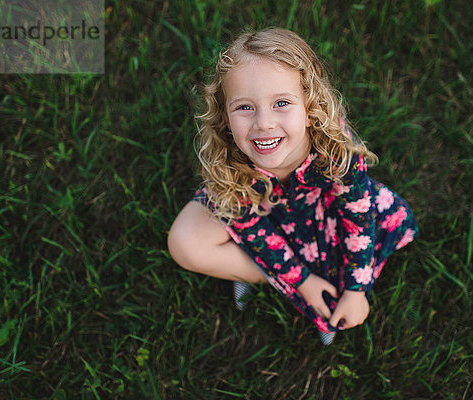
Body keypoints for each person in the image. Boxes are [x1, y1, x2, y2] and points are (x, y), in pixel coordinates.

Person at [167, 28, 418, 345]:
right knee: (185, 241)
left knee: (343, 267)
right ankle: (272, 279)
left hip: (324, 220)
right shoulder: (228, 160)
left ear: (311, 109)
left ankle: (317, 289)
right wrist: (302, 282)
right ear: (224, 117)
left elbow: (358, 220)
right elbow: (251, 228)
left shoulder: (336, 153)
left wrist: (356, 290)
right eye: (244, 107)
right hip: (264, 218)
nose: (263, 123)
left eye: (281, 103)